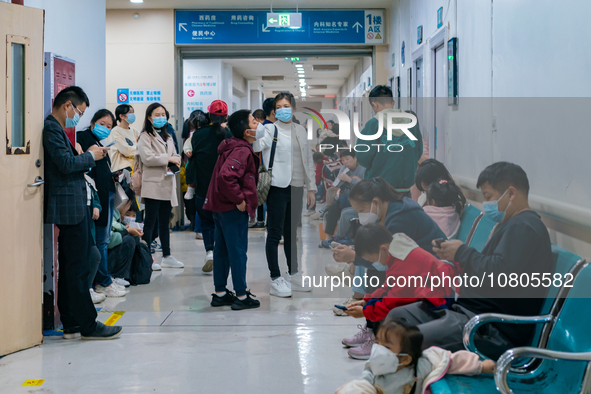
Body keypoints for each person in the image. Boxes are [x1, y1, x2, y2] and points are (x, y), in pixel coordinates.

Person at [386, 162, 555, 360]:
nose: (487, 205)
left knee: (410, 340)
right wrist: (456, 257)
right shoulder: (510, 226)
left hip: (490, 329)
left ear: (511, 193)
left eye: (489, 197)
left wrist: (462, 253)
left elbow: (497, 274)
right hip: (468, 312)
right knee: (397, 318)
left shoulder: (524, 228)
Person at [43, 85, 122, 340]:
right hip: (70, 208)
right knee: (78, 268)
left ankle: (71, 321)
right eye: (79, 111)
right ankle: (88, 323)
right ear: (68, 105)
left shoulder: (60, 130)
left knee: (72, 266)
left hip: (77, 206)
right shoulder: (52, 129)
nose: (78, 117)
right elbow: (66, 165)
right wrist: (90, 156)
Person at [341, 225, 459, 359]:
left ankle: (380, 341)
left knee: (391, 311)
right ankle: (371, 331)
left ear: (383, 249)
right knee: (377, 299)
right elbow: (389, 285)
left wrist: (365, 312)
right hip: (425, 293)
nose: (374, 264)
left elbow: (393, 301)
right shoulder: (396, 249)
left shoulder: (404, 263)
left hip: (437, 304)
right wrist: (366, 301)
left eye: (372, 260)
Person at [331, 178, 446, 315]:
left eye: (361, 210)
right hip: (424, 270)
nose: (361, 216)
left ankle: (371, 324)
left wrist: (367, 311)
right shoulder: (391, 209)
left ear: (375, 202)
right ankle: (360, 296)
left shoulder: (399, 219)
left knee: (376, 270)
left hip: (433, 274)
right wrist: (369, 301)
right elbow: (389, 280)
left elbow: (394, 292)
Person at [253, 92, 316, 297]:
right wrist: (259, 128)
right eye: (278, 106)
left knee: (291, 234)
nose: (282, 109)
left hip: (296, 187)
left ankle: (294, 274)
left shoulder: (300, 130)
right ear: (274, 110)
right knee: (274, 233)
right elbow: (256, 146)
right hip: (276, 187)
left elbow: (308, 160)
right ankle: (275, 278)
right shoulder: (269, 129)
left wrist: (311, 188)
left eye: (286, 105)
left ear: (294, 107)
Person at [335, 320, 495, 394]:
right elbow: (365, 384)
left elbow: (450, 360)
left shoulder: (422, 366)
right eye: (377, 343)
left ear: (405, 359)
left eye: (386, 347)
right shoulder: (375, 368)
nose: (377, 350)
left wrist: (480, 366)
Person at [204, 110, 261, 310]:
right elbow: (226, 176)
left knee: (221, 250)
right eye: (255, 122)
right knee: (237, 252)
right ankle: (241, 295)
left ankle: (220, 292)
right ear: (247, 131)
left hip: (219, 207)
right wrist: (239, 199)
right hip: (231, 209)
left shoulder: (231, 146)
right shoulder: (242, 150)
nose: (258, 125)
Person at [77, 109, 126, 298]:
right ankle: (102, 282)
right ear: (92, 123)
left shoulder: (99, 142)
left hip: (106, 196)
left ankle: (104, 279)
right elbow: (87, 169)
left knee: (103, 241)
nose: (105, 128)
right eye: (102, 124)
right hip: (97, 200)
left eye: (109, 126)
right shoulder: (83, 137)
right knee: (100, 243)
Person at [186, 100, 232, 273]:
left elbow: (192, 157)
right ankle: (221, 254)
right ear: (226, 116)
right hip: (223, 188)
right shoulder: (228, 133)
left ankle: (209, 251)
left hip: (202, 186)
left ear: (209, 115)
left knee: (206, 222)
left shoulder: (198, 135)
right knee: (221, 222)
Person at [136, 103, 184, 269]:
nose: (160, 117)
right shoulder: (145, 136)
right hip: (153, 184)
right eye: (157, 114)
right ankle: (146, 257)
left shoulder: (168, 135)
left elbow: (174, 153)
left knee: (165, 221)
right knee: (150, 221)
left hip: (167, 182)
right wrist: (168, 159)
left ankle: (167, 255)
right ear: (149, 117)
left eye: (163, 114)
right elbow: (147, 158)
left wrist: (176, 158)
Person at [356, 86, 423, 194]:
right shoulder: (412, 124)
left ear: (374, 104)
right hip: (405, 188)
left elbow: (362, 156)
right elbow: (418, 152)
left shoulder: (373, 124)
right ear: (393, 102)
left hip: (380, 188)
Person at [319, 150, 366, 248]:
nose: (345, 162)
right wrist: (341, 179)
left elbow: (365, 187)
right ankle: (329, 238)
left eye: (347, 159)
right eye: (343, 160)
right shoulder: (344, 168)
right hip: (345, 197)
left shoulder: (363, 169)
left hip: (359, 199)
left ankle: (339, 238)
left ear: (355, 158)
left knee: (342, 209)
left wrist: (349, 180)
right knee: (333, 208)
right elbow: (336, 185)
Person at [108, 188, 143, 284]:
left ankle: (128, 274)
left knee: (133, 238)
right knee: (129, 240)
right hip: (105, 258)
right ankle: (117, 276)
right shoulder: (110, 213)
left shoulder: (115, 214)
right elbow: (109, 240)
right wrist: (126, 231)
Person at [107, 104, 140, 173]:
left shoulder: (135, 131)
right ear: (121, 116)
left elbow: (142, 148)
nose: (132, 115)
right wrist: (137, 152)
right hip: (122, 170)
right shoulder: (115, 131)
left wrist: (129, 154)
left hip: (136, 168)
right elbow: (126, 150)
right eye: (130, 112)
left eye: (133, 112)